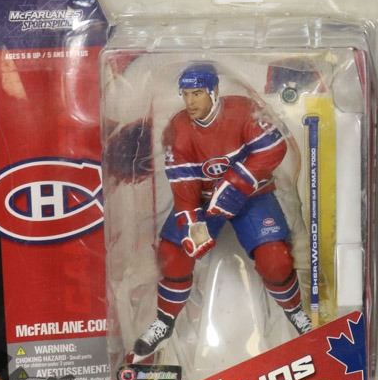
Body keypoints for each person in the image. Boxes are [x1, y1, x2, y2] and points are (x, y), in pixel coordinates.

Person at [131, 63, 311, 362]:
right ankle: (164, 321)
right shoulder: (179, 128)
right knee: (173, 254)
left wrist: (236, 183)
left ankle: (295, 311)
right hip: (206, 201)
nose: (190, 102)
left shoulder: (243, 110)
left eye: (197, 93)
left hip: (253, 197)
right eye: (186, 94)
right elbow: (184, 183)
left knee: (275, 259)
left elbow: (273, 148)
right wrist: (192, 222)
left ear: (214, 92)